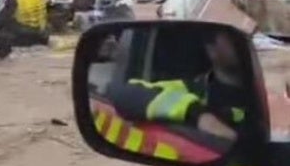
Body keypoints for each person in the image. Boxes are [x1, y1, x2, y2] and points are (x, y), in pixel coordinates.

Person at [106, 30, 250, 142]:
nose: (248, 42)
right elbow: (123, 93)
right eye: (235, 36)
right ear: (210, 47)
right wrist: (199, 115)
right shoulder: (191, 90)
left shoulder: (263, 90)